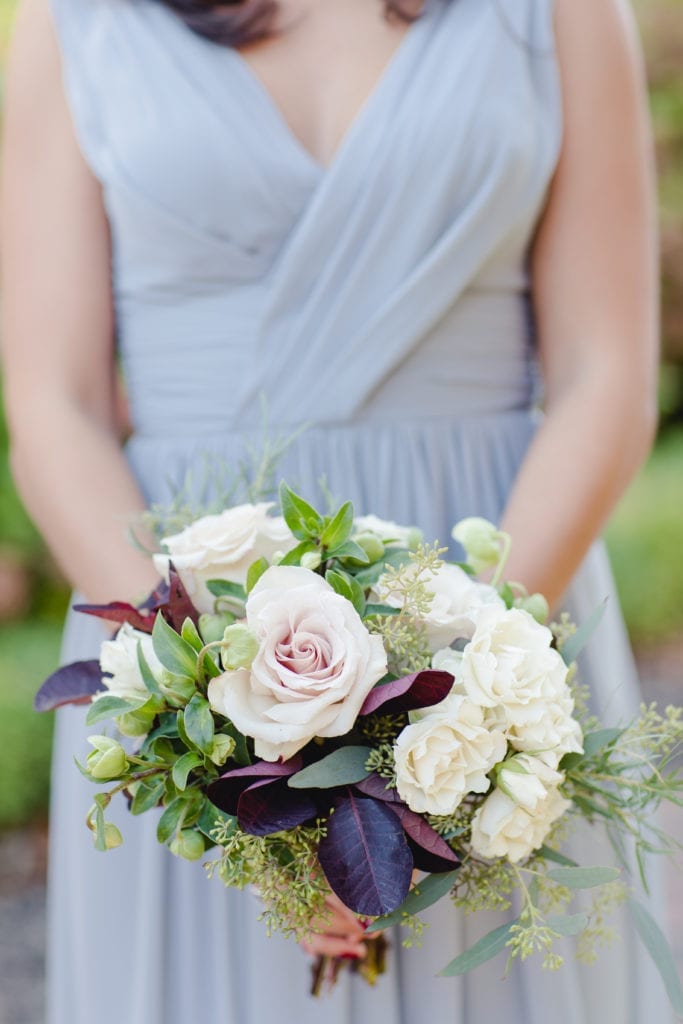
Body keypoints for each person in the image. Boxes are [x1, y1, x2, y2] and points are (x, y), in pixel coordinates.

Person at [0, 0, 669, 1021]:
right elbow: (57, 407)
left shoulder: (559, 12)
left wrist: (464, 693)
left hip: (499, 601)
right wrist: (214, 708)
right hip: (184, 628)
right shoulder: (74, 20)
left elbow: (604, 376)